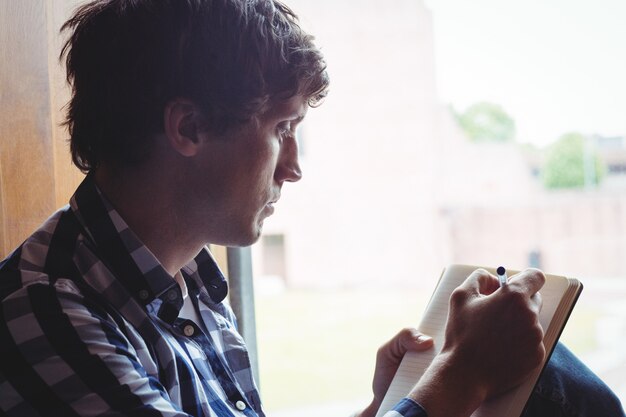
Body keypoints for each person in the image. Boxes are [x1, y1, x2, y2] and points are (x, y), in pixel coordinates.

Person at [0, 0, 623, 416]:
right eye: (282, 128)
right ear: (189, 127)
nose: (293, 166)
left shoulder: (183, 283)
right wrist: (458, 378)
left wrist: (388, 406)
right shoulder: (45, 310)